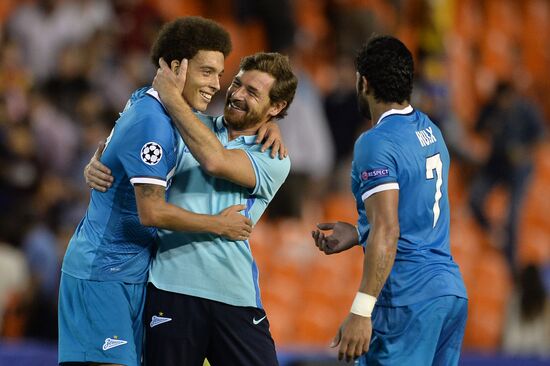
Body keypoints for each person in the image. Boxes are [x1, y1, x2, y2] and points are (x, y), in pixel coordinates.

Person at [58, 17, 255, 366]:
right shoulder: (154, 120)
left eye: (219, 74)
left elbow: (115, 149)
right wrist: (218, 225)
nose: (216, 84)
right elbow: (151, 211)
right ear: (176, 67)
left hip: (129, 273)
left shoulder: (156, 106)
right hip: (104, 272)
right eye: (207, 72)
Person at [87, 52, 297, 365]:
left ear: (277, 107)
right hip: (170, 289)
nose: (237, 95)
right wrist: (94, 164)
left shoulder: (274, 158)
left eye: (252, 93)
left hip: (235, 296)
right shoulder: (189, 125)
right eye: (237, 84)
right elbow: (129, 143)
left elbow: (215, 161)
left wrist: (172, 98)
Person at [311, 35, 468, 364]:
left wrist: (361, 310)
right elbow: (415, 213)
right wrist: (359, 232)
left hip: (406, 300)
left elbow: (389, 228)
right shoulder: (431, 131)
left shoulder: (375, 142)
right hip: (448, 293)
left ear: (363, 82)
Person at [469, 81, 545, 275]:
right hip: (496, 164)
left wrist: (524, 153)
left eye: (506, 99)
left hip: (519, 169)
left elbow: (541, 138)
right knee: (475, 197)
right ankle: (493, 231)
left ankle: (512, 268)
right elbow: (476, 129)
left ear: (512, 96)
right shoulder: (491, 109)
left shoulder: (526, 110)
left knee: (512, 215)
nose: (503, 103)